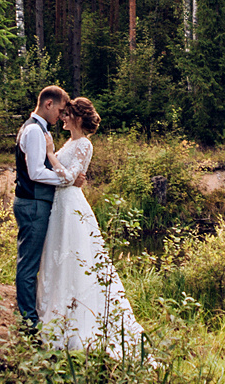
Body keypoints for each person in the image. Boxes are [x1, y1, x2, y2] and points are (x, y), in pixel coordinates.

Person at [35, 97, 145, 355]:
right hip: (59, 204)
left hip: (71, 205)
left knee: (76, 256)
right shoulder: (70, 142)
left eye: (67, 114)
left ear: (78, 118)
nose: (62, 117)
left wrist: (52, 155)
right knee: (59, 256)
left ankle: (79, 322)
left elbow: (69, 177)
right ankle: (55, 311)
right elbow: (65, 174)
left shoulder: (84, 143)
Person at [13, 84, 77, 329]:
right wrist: (66, 179)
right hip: (32, 203)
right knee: (28, 263)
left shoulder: (40, 130)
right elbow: (36, 172)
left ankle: (31, 315)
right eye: (60, 110)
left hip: (36, 202)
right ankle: (28, 322)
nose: (61, 116)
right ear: (48, 104)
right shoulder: (33, 131)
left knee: (33, 262)